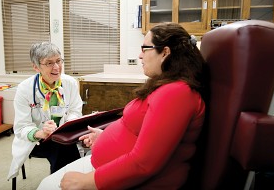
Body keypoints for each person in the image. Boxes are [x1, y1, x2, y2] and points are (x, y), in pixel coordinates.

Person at [37, 22, 207, 189]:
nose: (140, 55)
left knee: (46, 186)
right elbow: (143, 131)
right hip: (106, 164)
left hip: (125, 178)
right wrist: (104, 136)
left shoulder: (177, 93)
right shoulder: (168, 86)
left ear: (165, 53)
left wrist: (86, 182)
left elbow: (145, 163)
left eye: (144, 49)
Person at [7, 42, 83, 181]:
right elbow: (21, 128)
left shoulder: (69, 82)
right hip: (37, 141)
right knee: (61, 147)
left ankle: (68, 181)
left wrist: (67, 124)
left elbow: (75, 110)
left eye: (58, 61)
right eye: (49, 63)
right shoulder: (24, 89)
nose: (56, 67)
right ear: (36, 67)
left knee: (66, 145)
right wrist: (41, 132)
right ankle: (66, 182)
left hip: (64, 136)